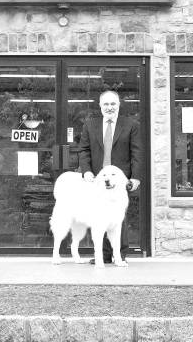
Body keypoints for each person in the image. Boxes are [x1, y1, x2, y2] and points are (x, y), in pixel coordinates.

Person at [77, 90, 142, 263]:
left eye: (113, 104)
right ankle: (104, 256)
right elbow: (83, 150)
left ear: (119, 105)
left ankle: (120, 255)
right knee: (100, 217)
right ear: (100, 106)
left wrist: (135, 177)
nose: (110, 107)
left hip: (119, 180)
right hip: (98, 180)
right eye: (106, 104)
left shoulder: (131, 125)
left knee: (119, 217)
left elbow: (137, 153)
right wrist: (87, 171)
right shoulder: (90, 125)